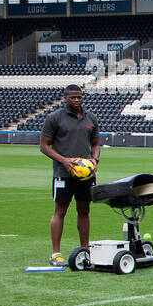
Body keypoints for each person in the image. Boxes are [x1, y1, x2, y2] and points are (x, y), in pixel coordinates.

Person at [39, 84, 100, 267]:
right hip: (63, 174)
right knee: (61, 211)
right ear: (66, 98)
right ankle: (56, 254)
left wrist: (95, 160)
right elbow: (44, 146)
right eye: (72, 98)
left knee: (84, 210)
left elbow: (96, 143)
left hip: (86, 175)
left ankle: (85, 251)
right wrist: (64, 161)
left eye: (79, 97)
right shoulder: (54, 118)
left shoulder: (91, 118)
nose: (76, 100)